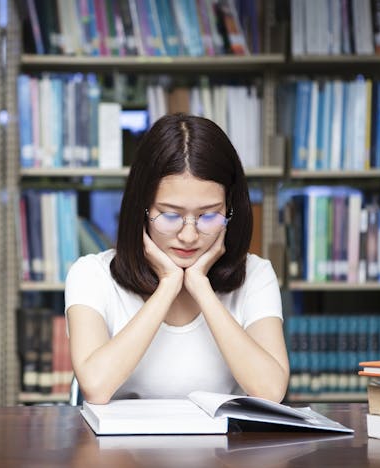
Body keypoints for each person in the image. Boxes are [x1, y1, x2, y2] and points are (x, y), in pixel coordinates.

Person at [65, 114, 289, 405]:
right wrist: (169, 285)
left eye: (209, 215)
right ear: (141, 208)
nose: (189, 235)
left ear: (231, 210)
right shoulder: (91, 275)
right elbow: (95, 385)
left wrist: (200, 286)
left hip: (225, 450)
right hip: (122, 450)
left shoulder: (256, 275)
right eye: (170, 215)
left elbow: (271, 390)